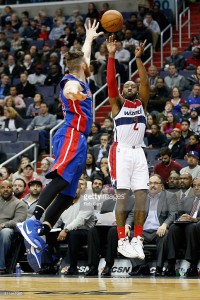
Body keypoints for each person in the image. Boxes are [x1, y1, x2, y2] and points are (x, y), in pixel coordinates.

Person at [16, 20, 103, 271]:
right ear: (82, 68)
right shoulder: (70, 81)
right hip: (71, 134)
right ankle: (31, 220)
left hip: (81, 139)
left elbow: (84, 56)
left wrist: (89, 38)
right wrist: (77, 95)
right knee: (62, 180)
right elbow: (70, 90)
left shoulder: (81, 73)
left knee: (68, 194)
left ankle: (42, 231)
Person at [106, 35, 149, 259]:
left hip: (139, 151)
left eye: (133, 86)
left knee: (142, 197)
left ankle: (138, 239)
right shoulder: (117, 106)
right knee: (123, 197)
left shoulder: (142, 103)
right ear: (123, 92)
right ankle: (122, 239)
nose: (131, 87)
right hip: (121, 151)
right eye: (127, 86)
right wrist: (111, 55)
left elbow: (145, 83)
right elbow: (111, 83)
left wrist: (139, 59)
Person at [129, 174, 177, 276]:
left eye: (155, 183)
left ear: (161, 186)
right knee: (127, 235)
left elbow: (173, 214)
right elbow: (133, 214)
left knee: (165, 234)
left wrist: (164, 225)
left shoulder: (169, 196)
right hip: (143, 231)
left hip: (158, 230)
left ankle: (159, 267)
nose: (152, 185)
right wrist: (127, 225)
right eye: (150, 183)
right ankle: (141, 266)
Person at [0, 180, 27, 274]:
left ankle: (1, 267)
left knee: (5, 232)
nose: (6, 189)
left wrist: (3, 225)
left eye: (8, 187)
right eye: (3, 187)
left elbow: (19, 220)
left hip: (8, 229)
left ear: (12, 189)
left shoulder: (19, 204)